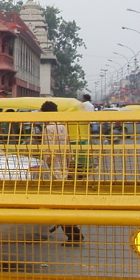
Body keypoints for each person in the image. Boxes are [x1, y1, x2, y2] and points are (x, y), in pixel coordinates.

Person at [41, 100, 84, 246]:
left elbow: (49, 150)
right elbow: (68, 147)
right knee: (60, 202)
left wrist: (47, 163)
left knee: (58, 204)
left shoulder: (48, 129)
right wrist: (69, 165)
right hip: (64, 166)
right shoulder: (63, 127)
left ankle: (73, 234)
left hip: (54, 167)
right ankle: (64, 229)